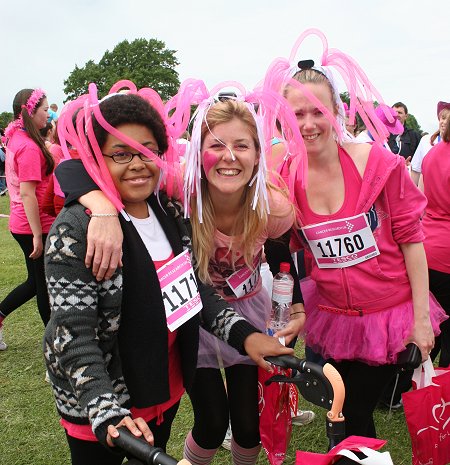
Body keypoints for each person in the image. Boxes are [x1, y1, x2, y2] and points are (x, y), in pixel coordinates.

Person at [44, 83, 293, 465]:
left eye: (146, 152)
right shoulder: (77, 229)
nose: (137, 163)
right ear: (98, 159)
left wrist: (246, 337)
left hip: (162, 389)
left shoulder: (168, 213)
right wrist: (107, 409)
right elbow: (73, 336)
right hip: (99, 407)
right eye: (121, 154)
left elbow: (193, 292)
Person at [264, 28, 447, 438]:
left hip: (388, 315)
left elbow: (412, 243)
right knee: (338, 412)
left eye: (318, 112)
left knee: (356, 415)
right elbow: (285, 249)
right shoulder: (286, 177)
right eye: (298, 114)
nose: (309, 124)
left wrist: (421, 321)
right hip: (331, 317)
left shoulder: (380, 165)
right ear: (285, 119)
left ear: (339, 112)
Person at [178, 96, 305, 465]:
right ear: (198, 154)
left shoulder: (272, 207)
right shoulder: (180, 194)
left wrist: (295, 304)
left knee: (249, 425)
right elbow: (87, 167)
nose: (229, 156)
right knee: (212, 422)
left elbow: (281, 252)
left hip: (250, 311)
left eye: (241, 145)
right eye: (216, 145)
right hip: (197, 315)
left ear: (257, 155)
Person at [0, 88, 55, 351]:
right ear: (29, 111)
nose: (49, 114)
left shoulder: (17, 138)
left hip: (24, 223)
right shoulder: (28, 146)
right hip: (33, 225)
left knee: (35, 283)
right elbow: (27, 192)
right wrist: (37, 235)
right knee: (44, 286)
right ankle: (55, 347)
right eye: (45, 109)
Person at [420, 114, 450, 367]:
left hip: (427, 244)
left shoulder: (432, 153)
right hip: (446, 250)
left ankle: (403, 383)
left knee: (431, 321)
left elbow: (420, 196)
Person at [411, 101, 450, 185]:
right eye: (443, 118)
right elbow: (416, 170)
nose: (445, 122)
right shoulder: (426, 141)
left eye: (449, 119)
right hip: (426, 194)